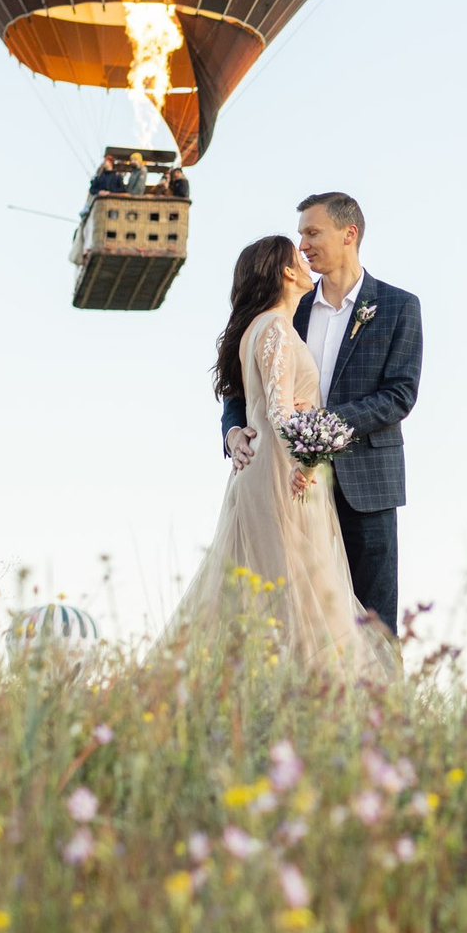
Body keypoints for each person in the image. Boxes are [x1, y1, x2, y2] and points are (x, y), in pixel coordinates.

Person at [172, 237, 394, 680]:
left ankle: (257, 687)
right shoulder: (275, 327)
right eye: (299, 252)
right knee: (291, 588)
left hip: (273, 469)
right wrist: (303, 459)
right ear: (287, 273)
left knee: (267, 586)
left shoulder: (266, 324)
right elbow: (277, 408)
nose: (307, 254)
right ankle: (303, 691)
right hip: (282, 472)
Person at [221, 192, 421, 632]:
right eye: (300, 236)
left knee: (372, 625)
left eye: (313, 232)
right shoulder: (287, 305)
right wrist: (233, 430)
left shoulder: (398, 307)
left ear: (349, 234)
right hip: (286, 488)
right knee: (293, 618)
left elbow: (399, 396)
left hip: (365, 487)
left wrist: (320, 433)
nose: (304, 243)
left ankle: (381, 705)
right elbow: (241, 383)